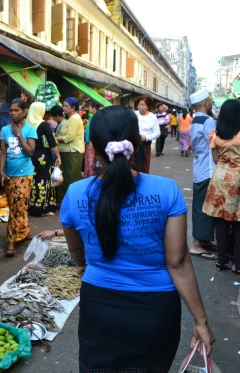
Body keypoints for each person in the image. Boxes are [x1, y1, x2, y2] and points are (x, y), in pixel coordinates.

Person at [60, 105, 215, 372]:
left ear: (94, 150)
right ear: (135, 143)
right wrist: (201, 321)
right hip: (156, 312)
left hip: (99, 306)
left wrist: (83, 266)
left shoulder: (75, 193)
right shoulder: (166, 190)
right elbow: (177, 262)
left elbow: (76, 249)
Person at [203, 99, 240, 275]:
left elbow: (215, 160)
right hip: (237, 180)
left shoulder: (215, 134)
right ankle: (239, 265)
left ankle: (222, 260)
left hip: (219, 178)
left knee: (220, 221)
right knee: (239, 222)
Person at [0, 98, 37, 256]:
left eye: (17, 110)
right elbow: (3, 153)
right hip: (9, 175)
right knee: (15, 206)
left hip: (25, 174)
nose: (13, 113)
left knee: (17, 208)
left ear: (24, 112)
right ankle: (26, 231)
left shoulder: (30, 129)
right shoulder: (4, 130)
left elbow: (30, 152)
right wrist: (1, 171)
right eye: (11, 110)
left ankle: (11, 241)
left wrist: (19, 135)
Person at [189, 89, 218, 258]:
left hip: (199, 167)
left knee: (202, 205)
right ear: (206, 103)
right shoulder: (208, 121)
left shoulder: (195, 120)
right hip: (208, 169)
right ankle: (197, 244)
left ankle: (204, 241)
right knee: (204, 206)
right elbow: (214, 144)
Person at [26, 102, 61, 216]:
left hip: (30, 156)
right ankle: (41, 208)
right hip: (42, 156)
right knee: (43, 180)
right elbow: (52, 143)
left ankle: (31, 206)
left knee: (33, 180)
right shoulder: (43, 125)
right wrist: (58, 156)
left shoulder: (26, 124)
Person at [56, 97, 85, 202]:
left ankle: (71, 202)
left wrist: (54, 139)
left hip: (72, 152)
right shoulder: (72, 118)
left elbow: (69, 137)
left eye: (66, 106)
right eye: (63, 105)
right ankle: (66, 201)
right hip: (68, 152)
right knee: (66, 178)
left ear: (73, 108)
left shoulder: (74, 119)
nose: (63, 108)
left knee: (70, 179)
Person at [134, 95, 160, 173]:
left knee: (144, 166)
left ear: (147, 106)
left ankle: (144, 182)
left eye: (143, 105)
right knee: (133, 165)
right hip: (134, 143)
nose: (140, 107)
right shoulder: (134, 114)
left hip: (145, 144)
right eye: (139, 105)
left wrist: (147, 137)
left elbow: (157, 132)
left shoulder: (152, 117)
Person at [83, 100, 102, 178]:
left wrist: (92, 141)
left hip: (92, 143)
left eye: (90, 107)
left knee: (91, 161)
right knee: (89, 161)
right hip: (88, 142)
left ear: (94, 108)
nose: (89, 109)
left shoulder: (97, 118)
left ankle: (91, 177)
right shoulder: (92, 117)